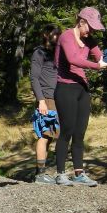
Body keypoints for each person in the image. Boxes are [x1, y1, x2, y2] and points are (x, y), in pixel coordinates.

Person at [53, 7, 107, 187]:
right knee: (67, 130)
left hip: (82, 88)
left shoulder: (90, 40)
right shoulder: (66, 36)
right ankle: (60, 173)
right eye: (90, 27)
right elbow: (73, 59)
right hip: (65, 87)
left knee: (80, 132)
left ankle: (79, 173)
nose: (91, 31)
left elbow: (100, 58)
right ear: (81, 21)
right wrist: (98, 66)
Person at [31, 25, 62, 184]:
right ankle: (40, 174)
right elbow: (34, 78)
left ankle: (44, 173)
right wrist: (41, 100)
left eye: (59, 34)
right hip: (47, 99)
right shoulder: (39, 53)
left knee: (53, 137)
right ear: (46, 34)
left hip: (59, 97)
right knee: (45, 135)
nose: (57, 36)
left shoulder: (57, 53)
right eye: (54, 34)